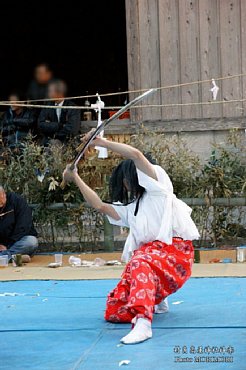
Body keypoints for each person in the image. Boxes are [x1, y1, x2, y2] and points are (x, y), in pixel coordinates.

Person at [62, 133, 200, 345]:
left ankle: (143, 323)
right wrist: (76, 177)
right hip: (154, 259)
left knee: (139, 260)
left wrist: (101, 143)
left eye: (127, 178)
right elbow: (100, 206)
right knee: (115, 310)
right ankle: (157, 298)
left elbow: (136, 154)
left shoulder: (159, 187)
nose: (125, 184)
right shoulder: (132, 209)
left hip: (176, 254)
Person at [0, 187, 38, 261]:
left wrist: (7, 245)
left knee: (31, 242)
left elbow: (23, 227)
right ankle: (14, 257)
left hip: (16, 242)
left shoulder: (17, 201)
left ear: (4, 194)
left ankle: (4, 257)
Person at [38, 80, 80, 146]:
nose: (48, 94)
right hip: (49, 141)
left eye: (50, 91)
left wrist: (55, 134)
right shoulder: (47, 106)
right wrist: (59, 125)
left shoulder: (72, 107)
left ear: (59, 92)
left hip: (67, 142)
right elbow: (40, 125)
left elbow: (72, 130)